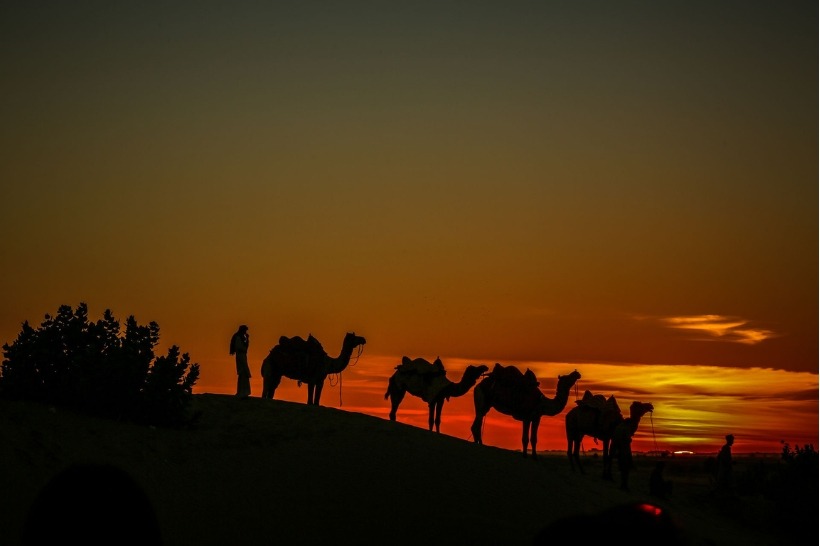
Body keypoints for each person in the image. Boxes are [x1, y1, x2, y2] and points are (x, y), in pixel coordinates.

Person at [230, 324, 251, 398]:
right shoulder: (239, 338)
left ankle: (243, 392)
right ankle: (242, 392)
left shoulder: (241, 338)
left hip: (242, 356)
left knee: (243, 373)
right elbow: (241, 348)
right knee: (243, 372)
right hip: (241, 356)